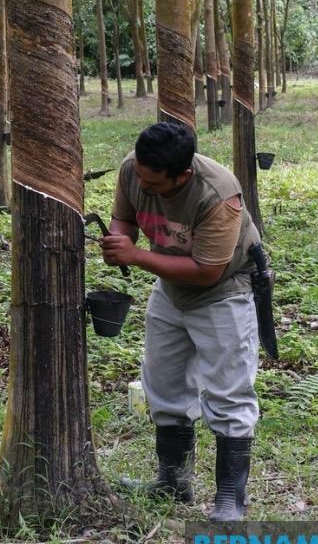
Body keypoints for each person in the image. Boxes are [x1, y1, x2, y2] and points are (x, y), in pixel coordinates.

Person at [100, 121, 262, 522]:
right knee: (165, 385)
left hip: (223, 292)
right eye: (140, 176)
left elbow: (208, 271)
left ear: (183, 175)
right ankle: (173, 481)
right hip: (169, 289)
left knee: (229, 392)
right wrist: (119, 241)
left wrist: (136, 257)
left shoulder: (218, 196)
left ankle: (229, 499)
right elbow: (124, 218)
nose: (144, 186)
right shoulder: (133, 169)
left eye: (154, 184)